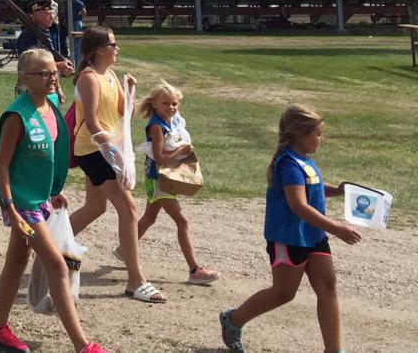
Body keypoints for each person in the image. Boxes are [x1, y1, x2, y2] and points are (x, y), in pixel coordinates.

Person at [0, 49, 107, 353]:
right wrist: (11, 207)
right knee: (57, 265)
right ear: (25, 78)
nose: (52, 78)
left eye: (54, 72)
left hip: (38, 199)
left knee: (17, 260)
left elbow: (45, 156)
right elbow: (2, 166)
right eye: (44, 73)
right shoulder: (16, 116)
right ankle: (83, 345)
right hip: (21, 203)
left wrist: (52, 190)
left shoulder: (50, 106)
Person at [219, 105, 361, 353]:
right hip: (289, 238)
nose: (321, 138)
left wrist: (337, 191)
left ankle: (334, 350)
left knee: (327, 288)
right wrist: (337, 228)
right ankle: (233, 320)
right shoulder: (288, 164)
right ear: (301, 134)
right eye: (318, 133)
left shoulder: (304, 160)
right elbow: (298, 205)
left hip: (314, 236)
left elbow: (311, 187)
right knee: (283, 293)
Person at [66, 27, 165, 303]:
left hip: (106, 149)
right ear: (99, 49)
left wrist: (130, 90)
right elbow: (95, 123)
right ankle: (136, 280)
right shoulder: (88, 79)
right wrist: (111, 151)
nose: (117, 48)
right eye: (113, 44)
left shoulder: (108, 75)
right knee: (129, 209)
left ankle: (51, 245)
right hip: (94, 149)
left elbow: (126, 114)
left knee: (95, 207)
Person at [135, 81, 219, 285]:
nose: (171, 108)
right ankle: (194, 270)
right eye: (166, 103)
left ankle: (124, 249)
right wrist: (181, 151)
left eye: (175, 104)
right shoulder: (156, 126)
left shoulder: (171, 122)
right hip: (159, 180)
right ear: (154, 103)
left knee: (149, 218)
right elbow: (159, 157)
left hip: (157, 179)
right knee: (182, 221)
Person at [14, 0, 75, 84]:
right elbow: (32, 63)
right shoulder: (28, 35)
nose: (52, 17)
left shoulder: (45, 33)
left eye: (52, 14)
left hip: (47, 82)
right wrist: (58, 65)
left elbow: (50, 56)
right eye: (47, 14)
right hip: (31, 85)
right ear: (36, 15)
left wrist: (63, 61)